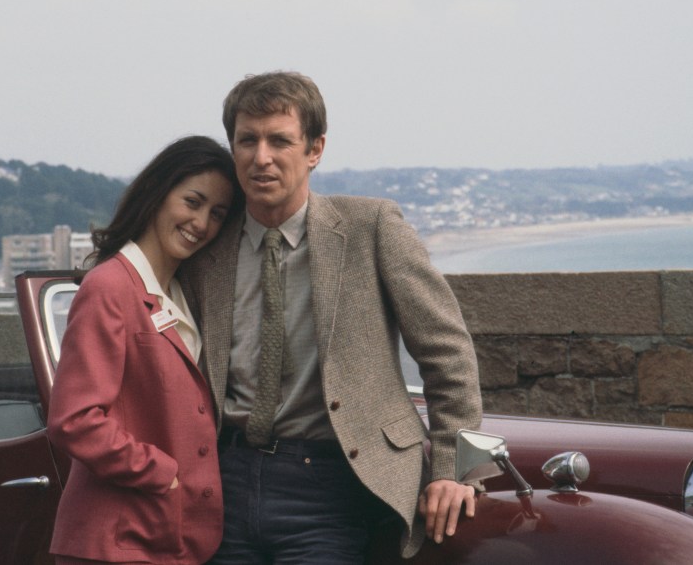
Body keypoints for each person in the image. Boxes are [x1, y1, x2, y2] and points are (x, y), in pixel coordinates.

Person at [182, 72, 482, 563]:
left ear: (315, 149)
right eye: (247, 140)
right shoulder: (205, 246)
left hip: (331, 483)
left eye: (280, 140)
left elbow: (447, 353)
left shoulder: (371, 227)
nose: (262, 157)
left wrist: (452, 469)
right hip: (222, 481)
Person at [47, 136, 244, 565]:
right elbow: (74, 420)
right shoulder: (109, 286)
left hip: (163, 540)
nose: (201, 223)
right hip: (113, 541)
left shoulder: (181, 292)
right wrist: (163, 473)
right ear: (158, 192)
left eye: (217, 214)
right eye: (192, 202)